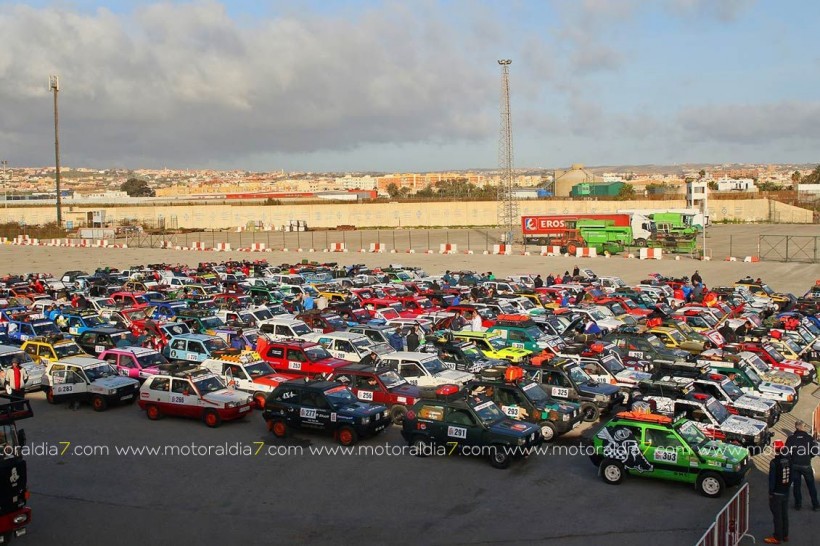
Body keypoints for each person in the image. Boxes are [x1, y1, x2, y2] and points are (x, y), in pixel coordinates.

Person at [786, 420, 819, 511]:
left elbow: (786, 452)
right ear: (803, 427)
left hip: (795, 464)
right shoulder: (809, 438)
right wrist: (809, 457)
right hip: (806, 464)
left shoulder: (791, 438)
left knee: (796, 485)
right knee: (811, 485)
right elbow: (815, 451)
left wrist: (792, 459)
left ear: (796, 427)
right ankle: (815, 505)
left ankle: (798, 504)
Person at [766, 440, 791, 544]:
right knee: (784, 514)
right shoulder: (789, 460)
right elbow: (792, 476)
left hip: (777, 493)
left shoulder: (774, 462)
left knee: (777, 516)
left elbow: (772, 480)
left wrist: (770, 492)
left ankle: (777, 537)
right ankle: (785, 535)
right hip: (786, 491)